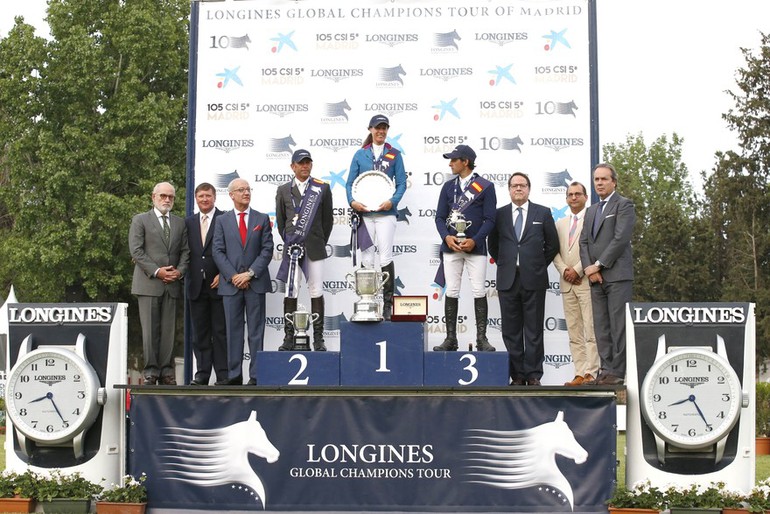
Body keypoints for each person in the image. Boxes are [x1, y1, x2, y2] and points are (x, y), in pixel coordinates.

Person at [488, 172, 558, 386]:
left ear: (529, 189)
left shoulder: (543, 213)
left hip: (534, 280)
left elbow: (552, 245)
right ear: (509, 189)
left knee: (534, 330)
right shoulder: (498, 215)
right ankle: (517, 375)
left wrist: (535, 266)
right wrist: (508, 265)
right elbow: (494, 247)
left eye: (523, 185)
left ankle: (534, 374)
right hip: (508, 280)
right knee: (510, 331)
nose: (518, 189)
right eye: (514, 185)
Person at [433, 145, 497, 352]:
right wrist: (447, 237)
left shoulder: (486, 186)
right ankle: (450, 338)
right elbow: (440, 218)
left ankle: (481, 339)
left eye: (453, 160)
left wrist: (475, 241)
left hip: (474, 248)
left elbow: (490, 220)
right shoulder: (447, 187)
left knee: (479, 290)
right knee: (451, 290)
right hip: (451, 246)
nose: (450, 163)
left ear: (465, 161)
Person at [212, 178, 274, 385]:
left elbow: (267, 250)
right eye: (241, 190)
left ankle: (256, 377)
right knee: (233, 332)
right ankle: (233, 375)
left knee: (256, 332)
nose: (246, 193)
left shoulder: (262, 219)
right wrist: (233, 276)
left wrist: (249, 274)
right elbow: (218, 251)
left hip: (255, 283)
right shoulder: (221, 220)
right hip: (230, 286)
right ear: (231, 195)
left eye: (248, 189)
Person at [346, 114, 407, 320]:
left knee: (386, 256)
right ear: (370, 129)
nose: (381, 131)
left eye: (384, 128)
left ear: (387, 130)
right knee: (367, 258)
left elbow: (401, 183)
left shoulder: (394, 154)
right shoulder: (359, 155)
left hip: (385, 213)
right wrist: (352, 202)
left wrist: (393, 201)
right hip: (364, 214)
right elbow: (349, 184)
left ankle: (388, 305)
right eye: (377, 128)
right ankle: (368, 302)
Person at [129, 182, 190, 385]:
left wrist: (179, 272)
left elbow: (185, 252)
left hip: (172, 284)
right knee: (150, 331)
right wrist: (157, 272)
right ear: (153, 197)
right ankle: (150, 371)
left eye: (171, 197)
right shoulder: (140, 220)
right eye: (163, 196)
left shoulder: (180, 223)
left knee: (168, 332)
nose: (167, 200)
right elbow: (136, 251)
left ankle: (166, 371)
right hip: (148, 284)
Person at [580, 163, 635, 386]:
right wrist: (588, 269)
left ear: (614, 181)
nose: (599, 183)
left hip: (617, 276)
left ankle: (618, 372)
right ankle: (605, 370)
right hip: (595, 279)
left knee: (618, 325)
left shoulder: (624, 205)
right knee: (601, 326)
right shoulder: (591, 210)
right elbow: (584, 242)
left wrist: (599, 265)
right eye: (596, 180)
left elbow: (620, 239)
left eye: (604, 179)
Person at [275, 149, 334, 351]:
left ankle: (318, 339)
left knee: (316, 291)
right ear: (293, 166)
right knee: (291, 291)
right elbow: (281, 221)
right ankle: (289, 337)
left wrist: (316, 240)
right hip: (292, 248)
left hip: (315, 248)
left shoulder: (322, 188)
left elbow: (328, 221)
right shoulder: (283, 190)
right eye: (301, 163)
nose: (305, 166)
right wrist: (293, 241)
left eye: (308, 162)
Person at [553, 182, 599, 386]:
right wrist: (565, 270)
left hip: (585, 281)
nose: (573, 198)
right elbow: (554, 251)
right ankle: (579, 372)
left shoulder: (592, 219)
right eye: (570, 194)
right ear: (566, 198)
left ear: (586, 197)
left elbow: (594, 248)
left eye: (577, 194)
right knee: (574, 331)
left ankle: (592, 372)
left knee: (590, 329)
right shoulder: (560, 223)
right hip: (567, 283)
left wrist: (578, 270)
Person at [185, 183, 227, 385]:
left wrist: (224, 274)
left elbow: (232, 250)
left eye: (208, 196)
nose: (204, 199)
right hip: (195, 286)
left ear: (214, 197)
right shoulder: (189, 223)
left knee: (220, 332)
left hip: (219, 285)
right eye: (200, 196)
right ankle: (201, 375)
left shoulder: (225, 219)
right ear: (196, 198)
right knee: (200, 334)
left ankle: (223, 375)